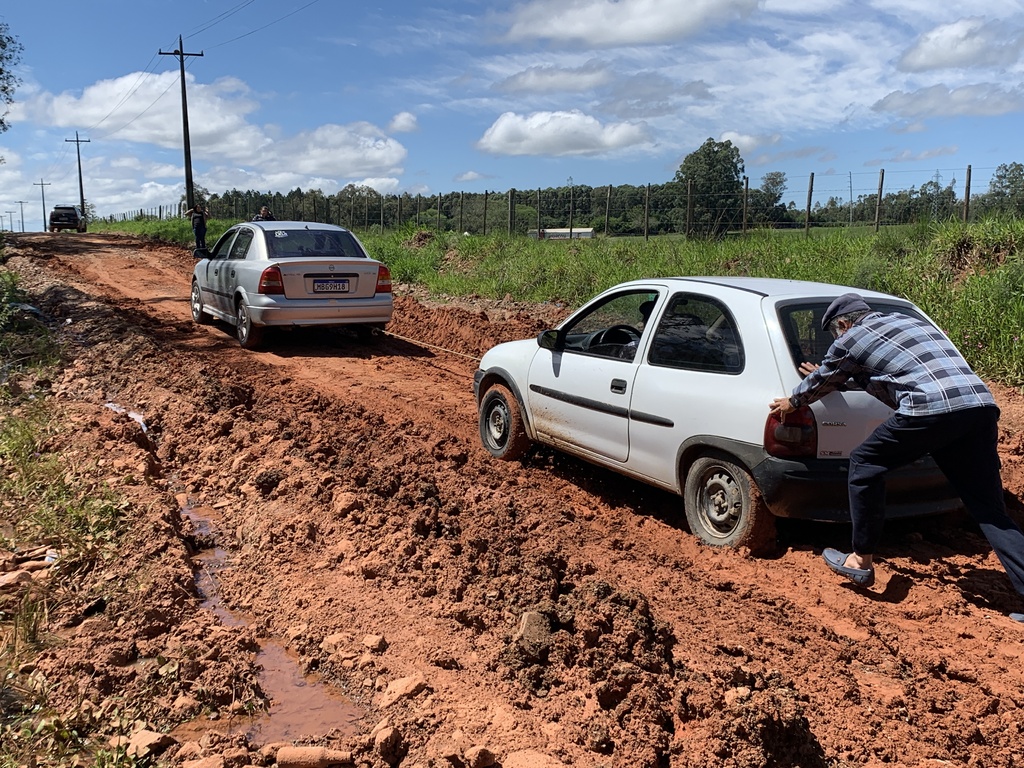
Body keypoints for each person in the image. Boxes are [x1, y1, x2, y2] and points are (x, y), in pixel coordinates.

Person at [769, 292, 1024, 623]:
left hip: (930, 410)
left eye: (835, 334)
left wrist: (794, 401)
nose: (837, 339)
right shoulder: (909, 322)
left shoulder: (850, 339)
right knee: (989, 508)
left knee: (864, 462)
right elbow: (891, 376)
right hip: (979, 406)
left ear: (843, 324)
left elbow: (824, 378)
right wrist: (843, 376)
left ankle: (860, 562)